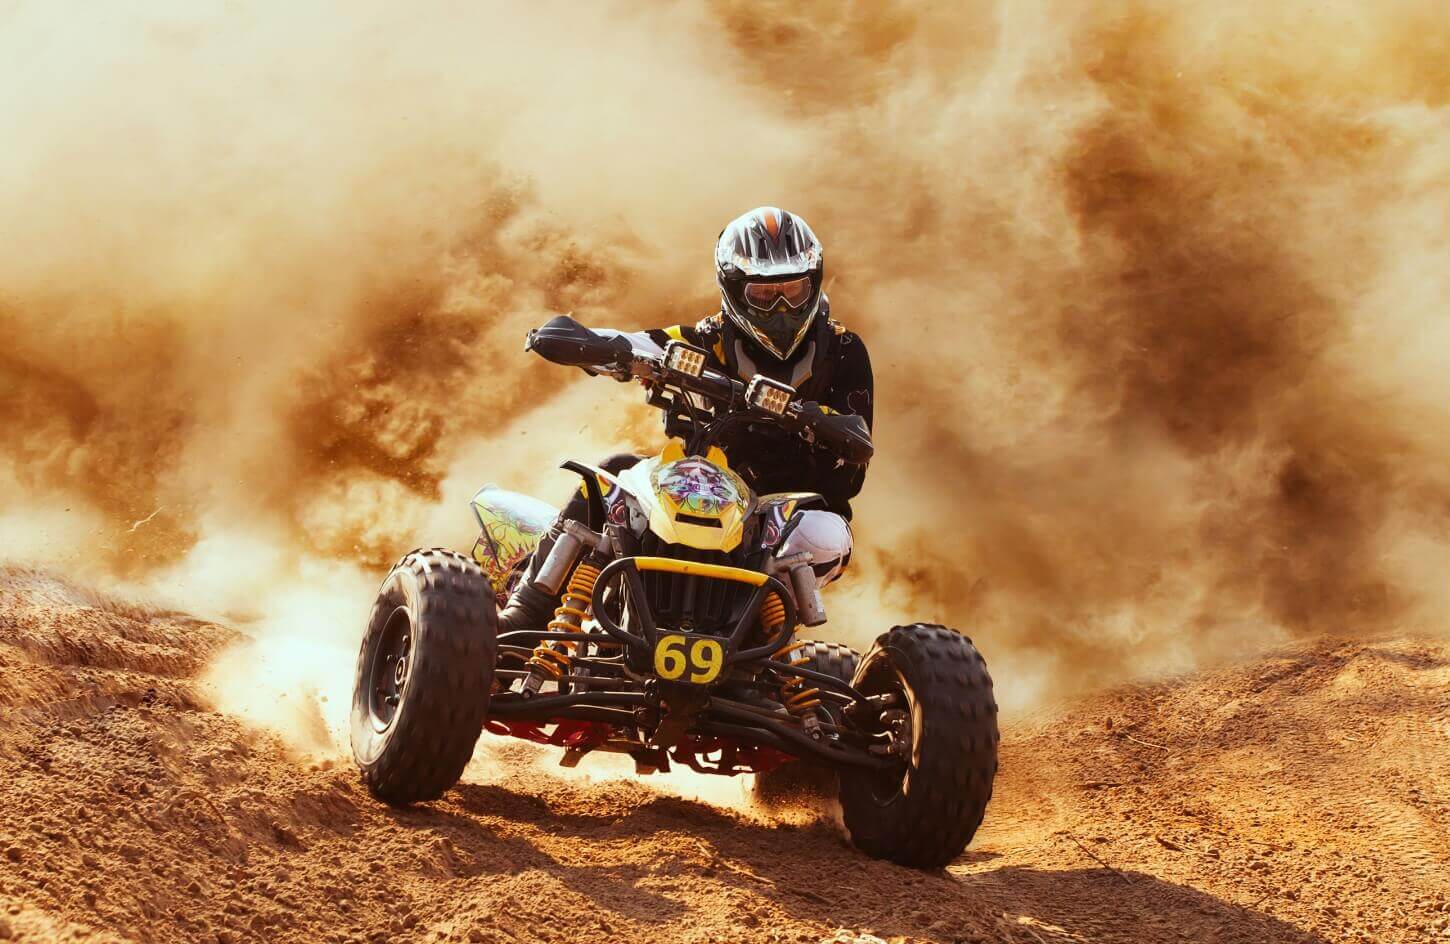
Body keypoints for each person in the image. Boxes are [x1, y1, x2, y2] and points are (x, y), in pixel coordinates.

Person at [498, 207, 874, 634]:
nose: (782, 307)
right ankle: (525, 612)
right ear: (733, 290)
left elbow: (855, 458)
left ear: (815, 281)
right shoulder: (705, 340)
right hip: (696, 490)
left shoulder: (843, 351)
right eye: (765, 295)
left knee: (823, 535)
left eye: (793, 289)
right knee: (614, 474)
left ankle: (761, 647)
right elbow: (641, 343)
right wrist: (584, 342)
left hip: (784, 510)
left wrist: (808, 420)